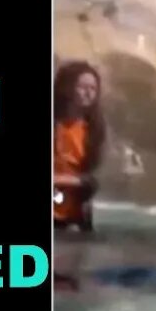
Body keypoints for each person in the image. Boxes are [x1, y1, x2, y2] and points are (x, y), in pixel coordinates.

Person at [54, 61, 107, 232]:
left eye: (93, 88)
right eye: (82, 87)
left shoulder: (94, 130)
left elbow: (93, 179)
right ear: (66, 88)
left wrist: (60, 180)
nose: (88, 93)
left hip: (74, 216)